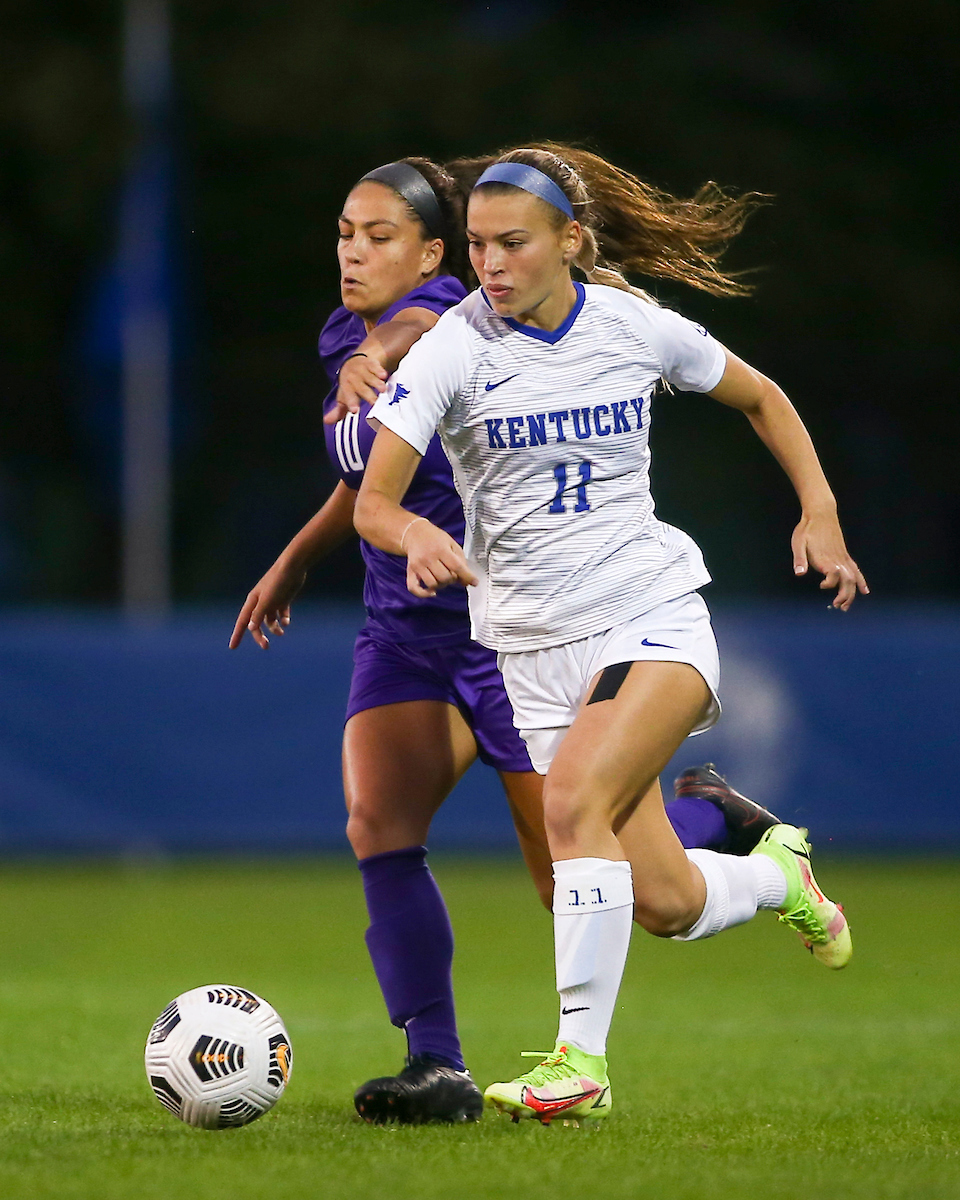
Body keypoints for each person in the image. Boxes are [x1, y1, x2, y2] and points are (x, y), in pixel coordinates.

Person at [230, 156, 779, 1125]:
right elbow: (369, 480)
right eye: (344, 235)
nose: (354, 254)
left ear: (434, 252)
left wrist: (392, 349)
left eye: (379, 235)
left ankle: (716, 826)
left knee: (600, 877)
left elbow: (422, 341)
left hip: (510, 634)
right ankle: (434, 1062)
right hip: (404, 624)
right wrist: (295, 558)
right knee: (378, 824)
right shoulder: (343, 336)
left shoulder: (453, 315)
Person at [354, 143, 867, 1125]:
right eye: (477, 246)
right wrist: (415, 531)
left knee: (574, 808)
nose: (492, 264)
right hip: (531, 653)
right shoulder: (456, 349)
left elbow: (762, 396)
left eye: (513, 243)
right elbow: (377, 503)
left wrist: (821, 508)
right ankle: (775, 874)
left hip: (650, 612)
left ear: (571, 242)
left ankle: (577, 1064)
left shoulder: (632, 326)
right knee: (663, 903)